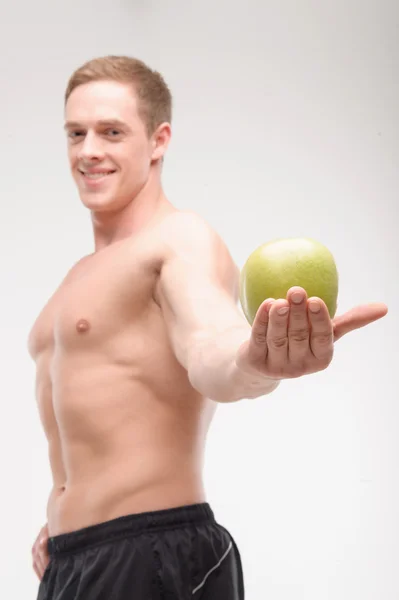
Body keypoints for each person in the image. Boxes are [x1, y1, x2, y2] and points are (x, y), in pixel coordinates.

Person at [29, 55, 388, 600]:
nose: (88, 150)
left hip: (152, 554)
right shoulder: (76, 278)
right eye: (76, 133)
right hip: (75, 560)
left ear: (158, 139)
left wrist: (254, 360)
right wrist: (65, 518)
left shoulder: (178, 239)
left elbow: (211, 349)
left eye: (111, 131)